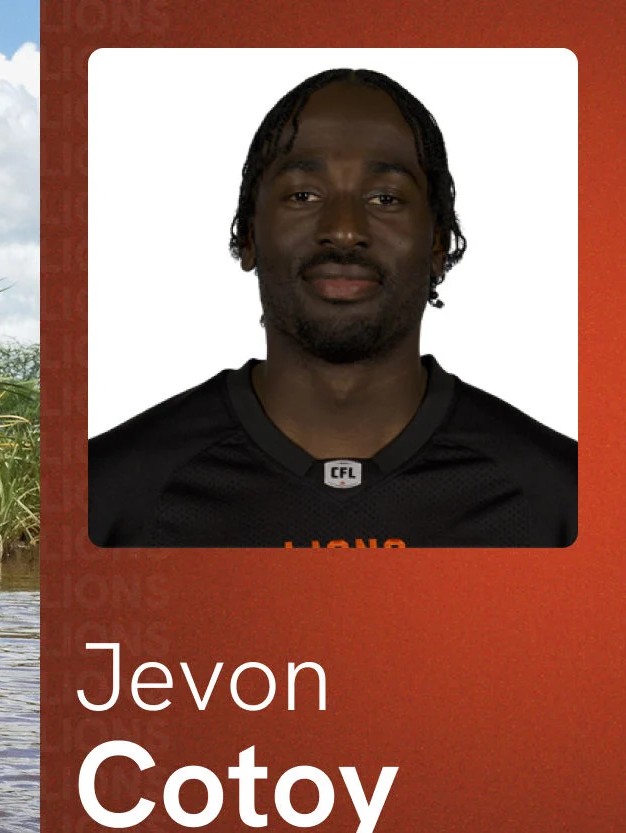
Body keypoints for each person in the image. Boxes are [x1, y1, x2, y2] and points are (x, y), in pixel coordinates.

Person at [89, 68, 576, 548]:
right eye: (303, 195)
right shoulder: (104, 493)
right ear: (249, 235)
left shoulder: (565, 501)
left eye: (385, 198)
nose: (344, 230)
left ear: (438, 243)